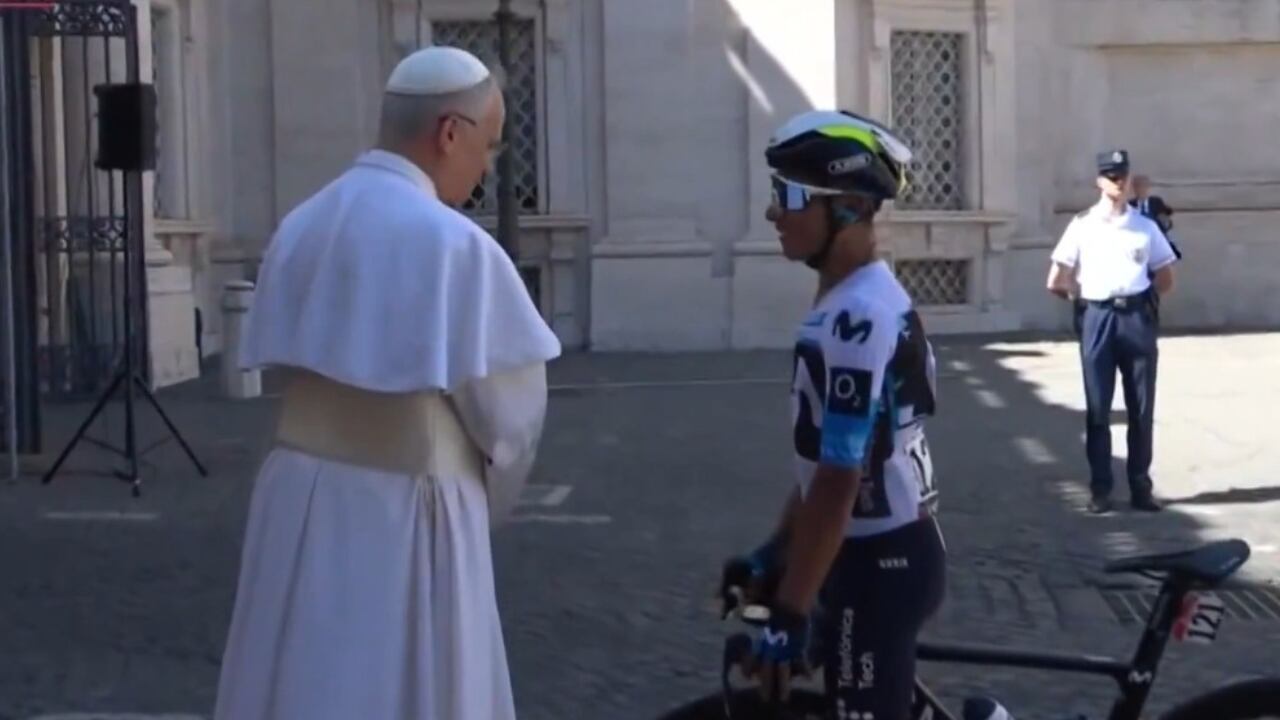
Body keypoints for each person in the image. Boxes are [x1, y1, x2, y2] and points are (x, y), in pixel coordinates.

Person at [212, 46, 562, 720]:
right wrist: (487, 501)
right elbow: (512, 421)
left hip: (296, 500)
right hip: (412, 510)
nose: (486, 168)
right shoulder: (455, 247)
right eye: (487, 147)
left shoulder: (301, 224)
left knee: (298, 676)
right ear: (448, 133)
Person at [719, 110, 947, 719]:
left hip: (881, 565)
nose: (773, 212)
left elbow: (842, 482)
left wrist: (789, 613)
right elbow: (823, 472)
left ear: (846, 206)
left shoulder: (857, 319)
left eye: (788, 195)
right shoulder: (848, 300)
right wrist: (774, 554)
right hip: (867, 553)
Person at [1046, 149, 1176, 515]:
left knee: (1141, 408)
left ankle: (1140, 487)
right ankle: (1101, 488)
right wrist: (1081, 299)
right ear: (1099, 181)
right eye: (1110, 176)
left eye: (1122, 175)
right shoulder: (1082, 225)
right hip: (1098, 317)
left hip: (1136, 318)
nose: (1118, 183)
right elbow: (1055, 279)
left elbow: (1166, 276)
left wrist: (1145, 303)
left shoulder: (1145, 226)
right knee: (1098, 409)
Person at [1130, 174, 1182, 260]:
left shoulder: (1156, 201)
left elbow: (1167, 218)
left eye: (1143, 186)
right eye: (1137, 187)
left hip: (1156, 236)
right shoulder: (1130, 204)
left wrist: (1165, 219)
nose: (1140, 190)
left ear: (1148, 188)